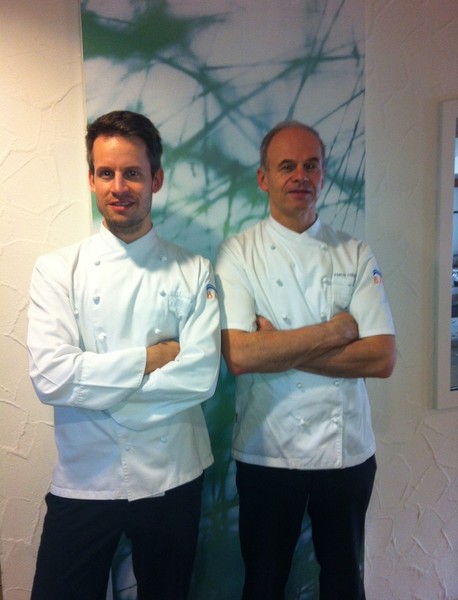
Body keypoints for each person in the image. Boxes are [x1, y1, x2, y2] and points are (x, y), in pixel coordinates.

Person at [27, 110, 221, 600]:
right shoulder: (57, 270)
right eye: (106, 173)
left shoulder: (194, 270)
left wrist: (97, 392)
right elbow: (51, 377)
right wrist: (152, 358)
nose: (119, 187)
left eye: (132, 172)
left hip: (172, 475)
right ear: (91, 179)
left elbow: (200, 376)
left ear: (156, 179)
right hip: (85, 477)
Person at [215, 121, 396, 600]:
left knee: (344, 580)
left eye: (311, 165)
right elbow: (239, 355)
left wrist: (277, 348)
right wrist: (334, 332)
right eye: (287, 166)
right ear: (263, 178)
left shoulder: (354, 252)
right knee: (263, 582)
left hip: (346, 450)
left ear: (323, 175)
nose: (301, 176)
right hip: (267, 449)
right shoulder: (238, 253)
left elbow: (381, 357)